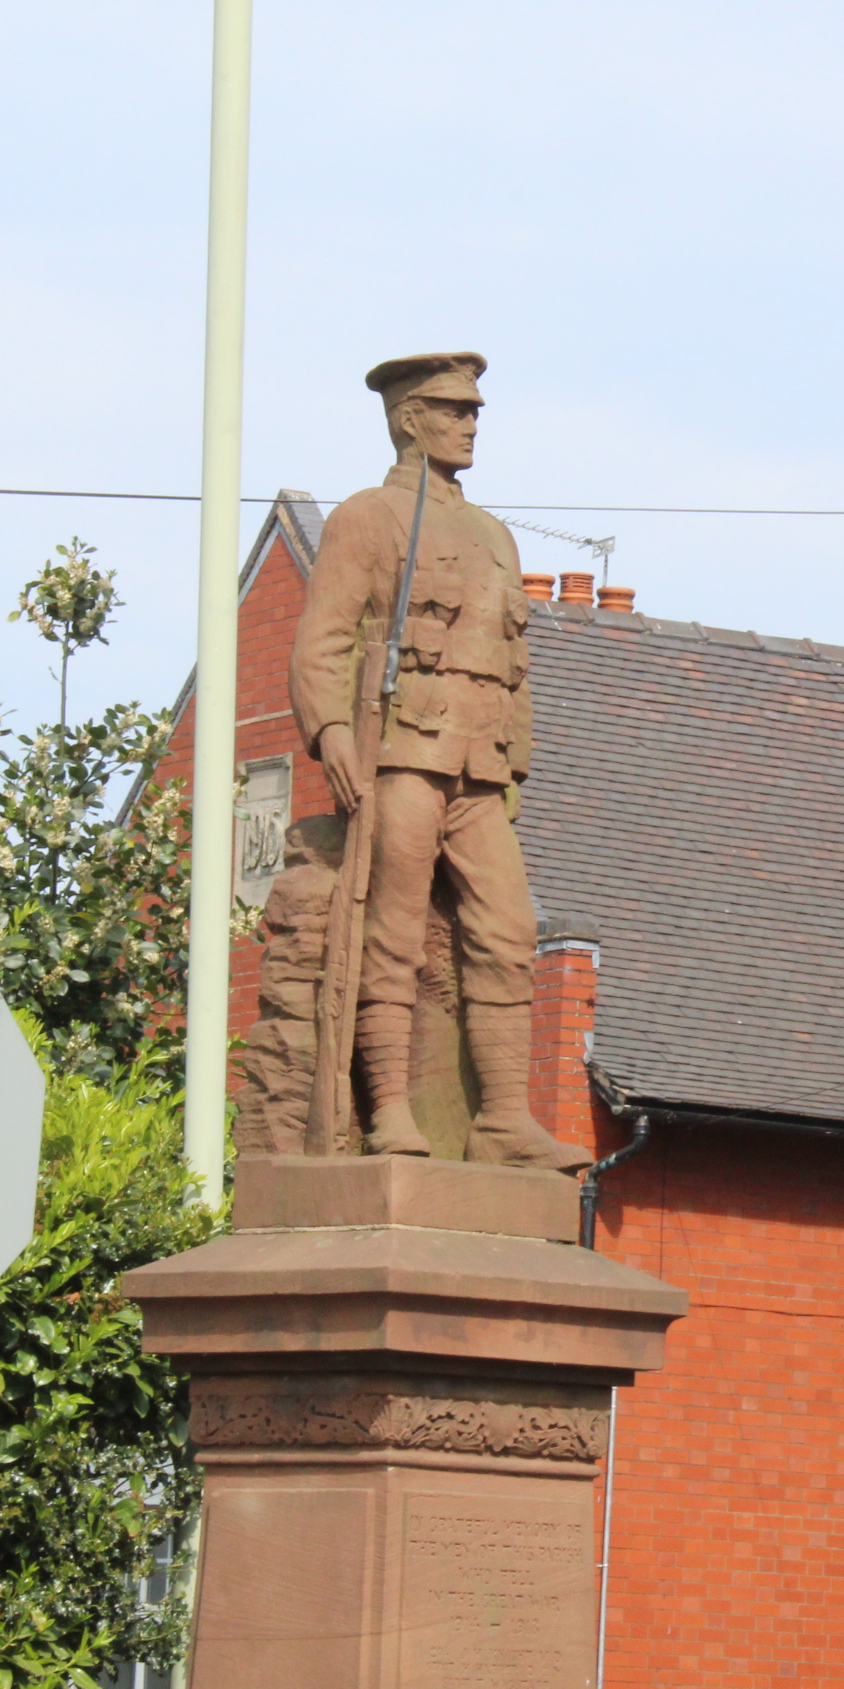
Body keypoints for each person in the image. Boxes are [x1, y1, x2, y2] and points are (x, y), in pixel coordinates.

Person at [288, 351, 590, 1172]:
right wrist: (334, 739)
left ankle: (500, 1121)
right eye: (454, 410)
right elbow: (322, 643)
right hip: (402, 756)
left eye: (475, 411)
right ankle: (387, 1109)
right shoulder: (368, 517)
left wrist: (513, 763)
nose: (470, 423)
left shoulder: (493, 535)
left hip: (477, 768)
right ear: (409, 417)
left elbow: (510, 660)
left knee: (508, 929)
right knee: (392, 933)